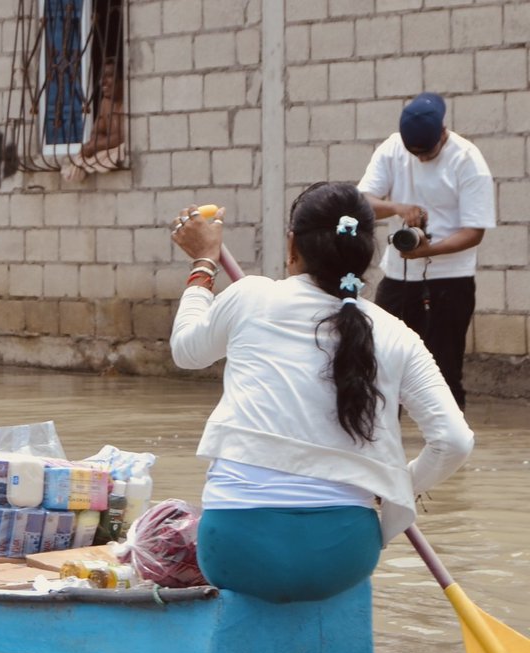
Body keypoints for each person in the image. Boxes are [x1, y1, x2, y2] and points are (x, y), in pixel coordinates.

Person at [167, 182, 474, 603]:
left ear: (292, 246)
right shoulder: (397, 334)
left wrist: (204, 261)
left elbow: (186, 351)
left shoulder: (250, 296)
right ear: (366, 254)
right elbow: (455, 442)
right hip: (345, 562)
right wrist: (394, 491)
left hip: (235, 554)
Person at [357, 92, 495, 410]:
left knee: (445, 368)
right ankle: (384, 443)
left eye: (427, 153)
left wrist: (430, 250)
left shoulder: (467, 160)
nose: (419, 159)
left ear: (442, 135)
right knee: (383, 358)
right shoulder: (392, 148)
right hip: (398, 274)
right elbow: (363, 201)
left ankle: (453, 447)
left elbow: (474, 232)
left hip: (452, 278)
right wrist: (396, 207)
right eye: (412, 152)